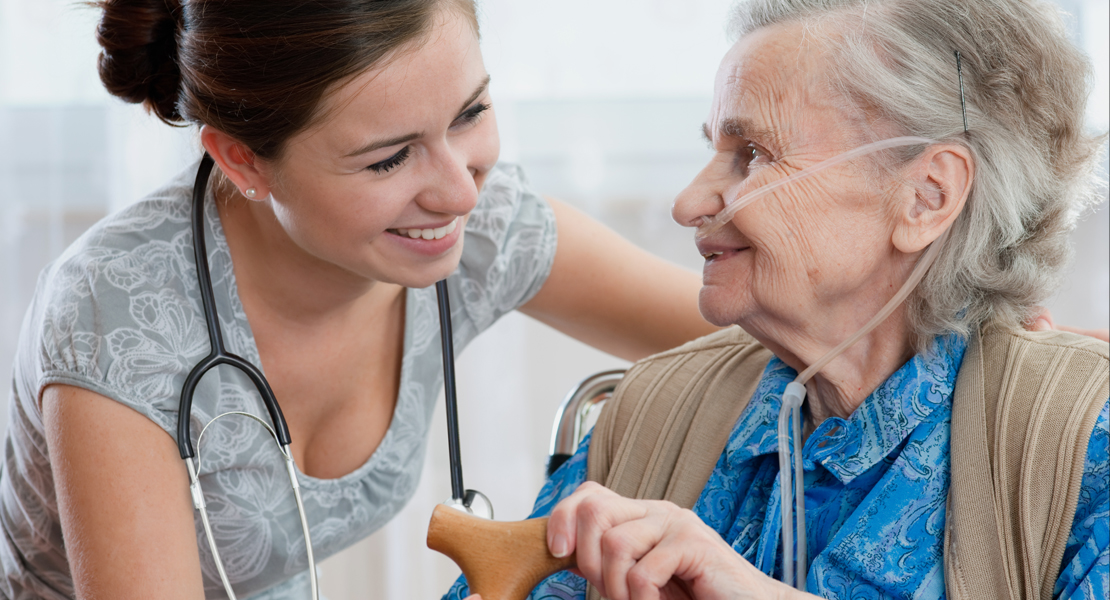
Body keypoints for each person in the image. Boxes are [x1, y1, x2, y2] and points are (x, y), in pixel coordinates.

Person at [0, 0, 723, 598]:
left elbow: (758, 328)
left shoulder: (482, 229)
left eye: (470, 113)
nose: (460, 191)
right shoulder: (113, 318)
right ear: (242, 160)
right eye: (389, 157)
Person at [445, 0, 1108, 598]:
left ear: (926, 196)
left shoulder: (1079, 443)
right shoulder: (652, 412)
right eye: (715, 150)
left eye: (753, 154)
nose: (688, 204)